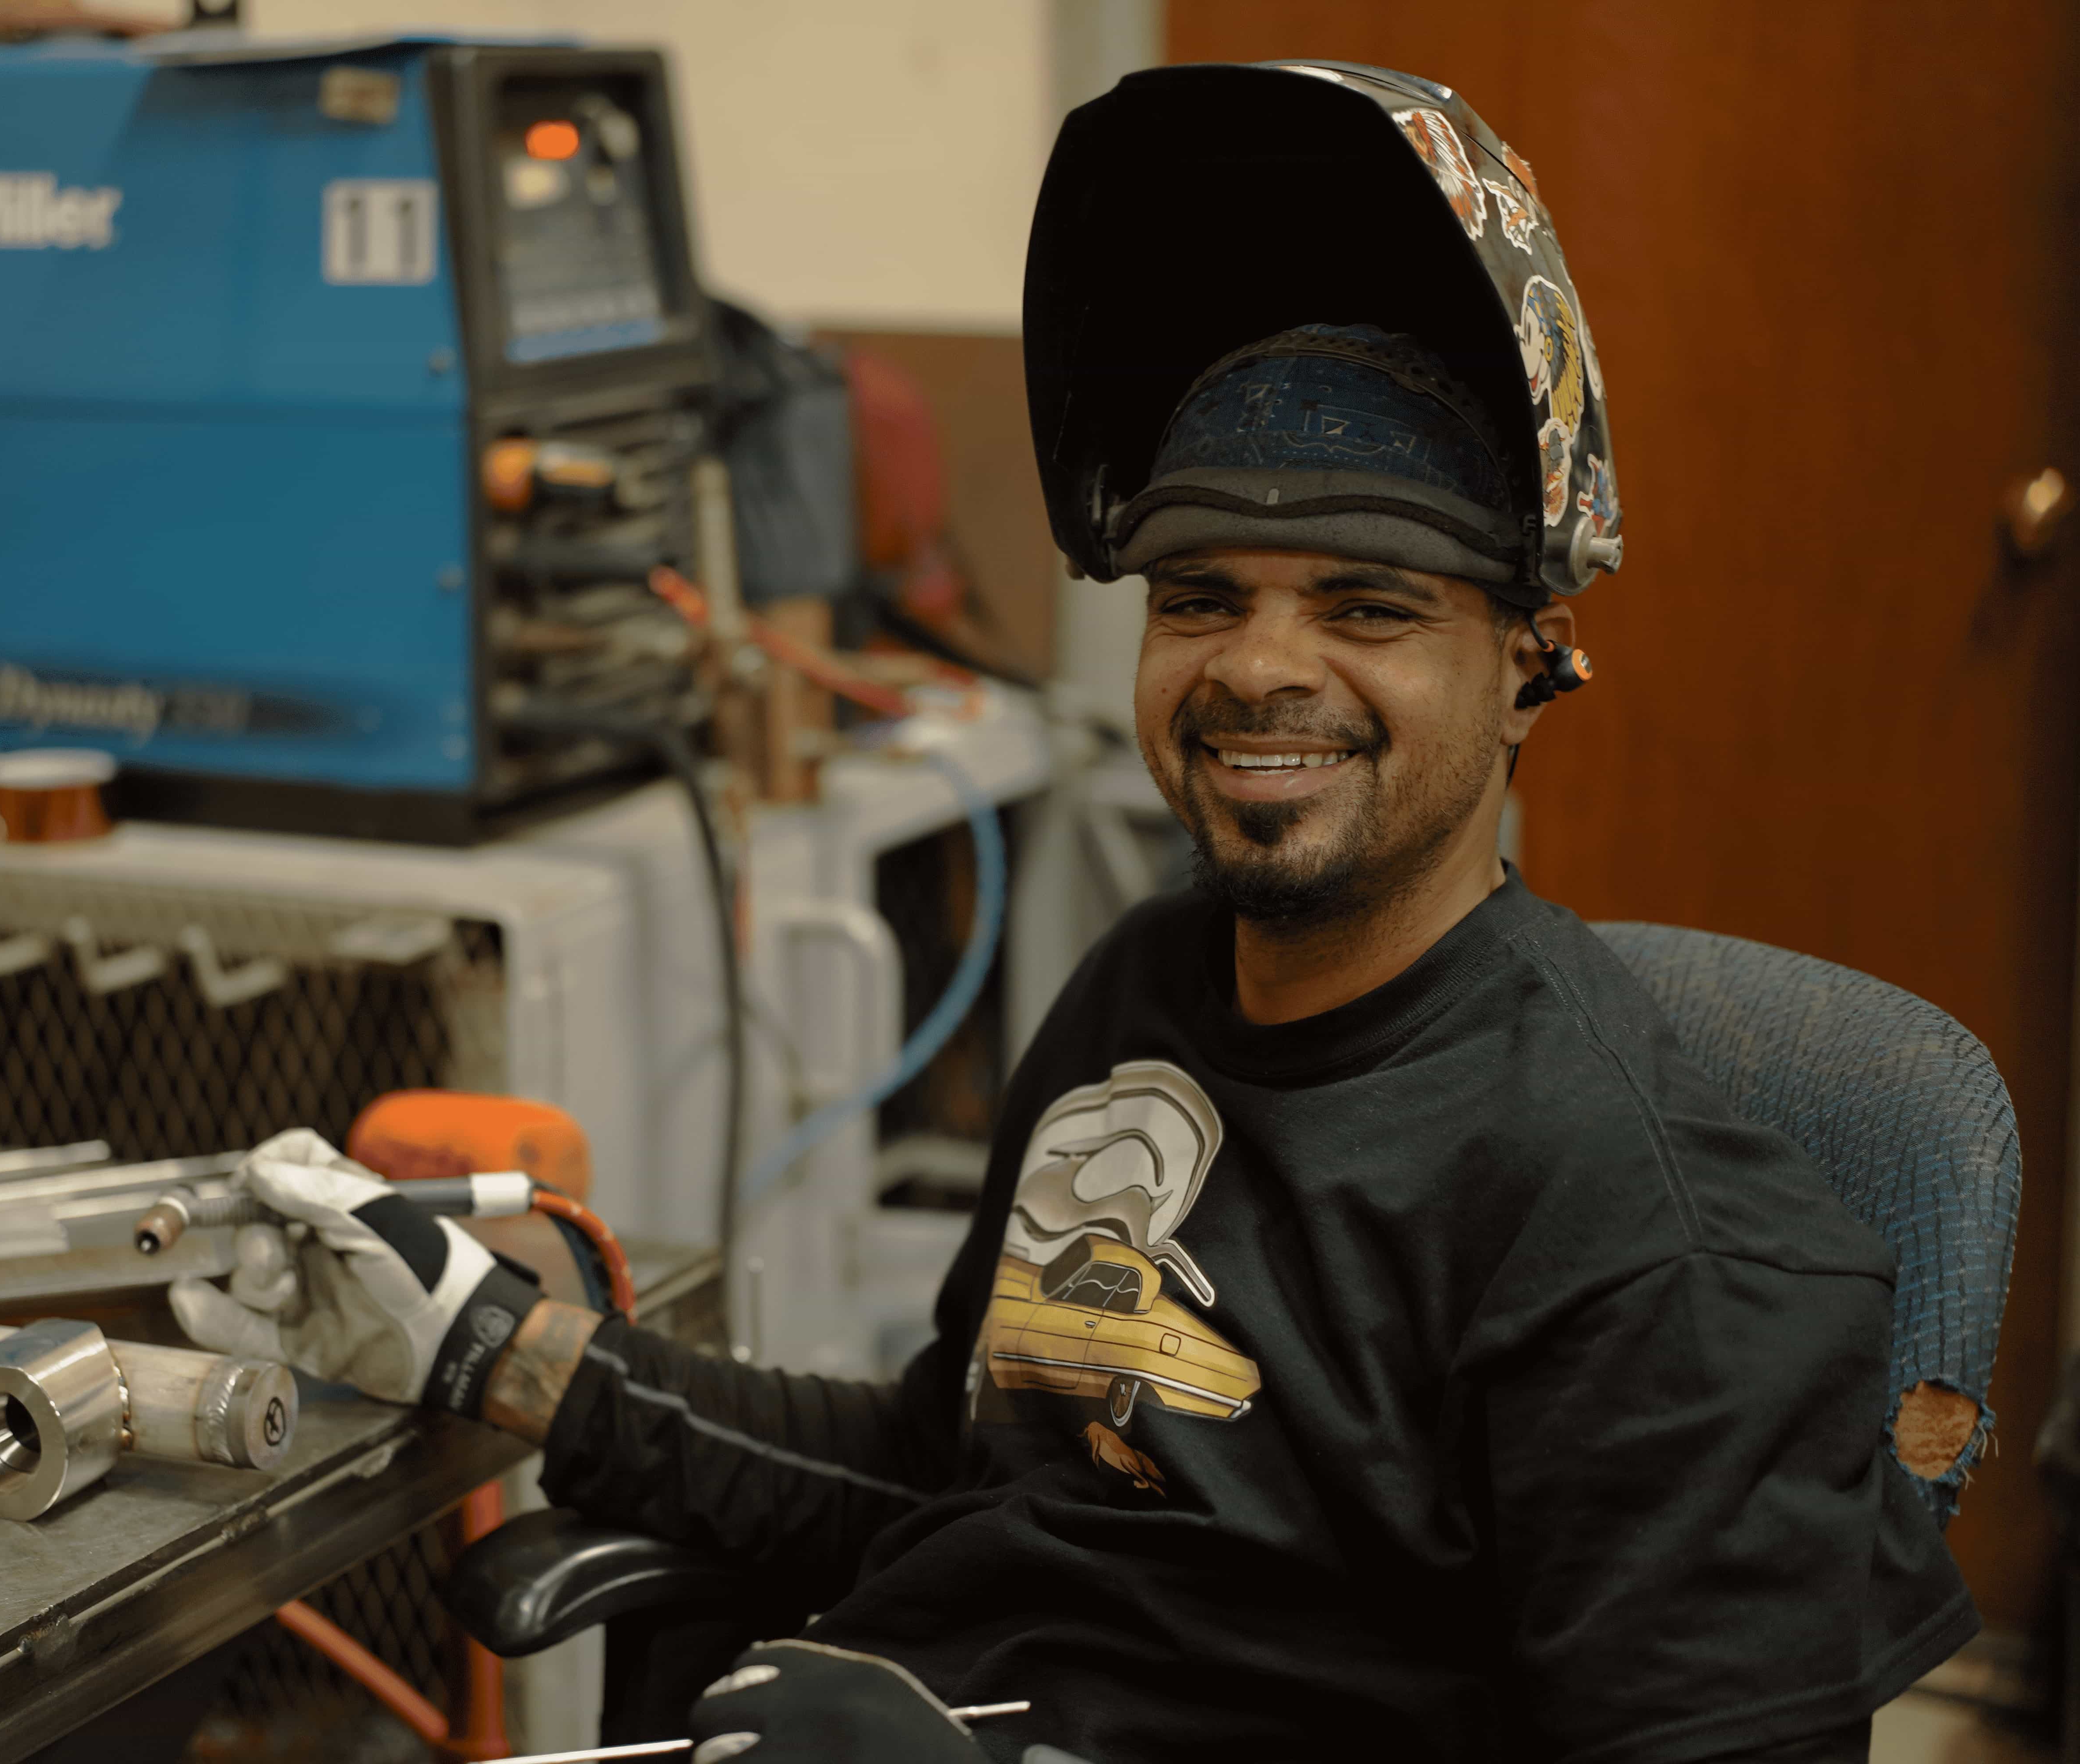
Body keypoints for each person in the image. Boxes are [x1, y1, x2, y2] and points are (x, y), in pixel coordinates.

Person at [173, 62, 1975, 1764]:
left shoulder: (1643, 1233)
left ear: (1526, 668)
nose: (1261, 663)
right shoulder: (1152, 993)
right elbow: (960, 1471)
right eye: (1200, 596)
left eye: (1365, 607)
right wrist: (503, 1349)